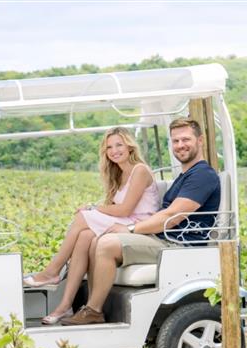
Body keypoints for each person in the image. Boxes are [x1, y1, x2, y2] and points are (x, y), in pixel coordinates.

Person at [62, 118, 220, 326]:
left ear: (200, 141)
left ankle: (93, 310)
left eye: (186, 139)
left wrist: (130, 228)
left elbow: (171, 218)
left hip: (177, 245)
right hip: (162, 239)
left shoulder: (202, 175)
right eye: (175, 141)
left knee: (107, 243)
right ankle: (87, 305)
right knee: (92, 238)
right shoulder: (185, 176)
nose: (180, 145)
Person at [23, 127, 159, 325]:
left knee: (83, 217)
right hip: (126, 220)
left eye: (119, 145)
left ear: (129, 146)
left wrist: (93, 208)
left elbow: (124, 209)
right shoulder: (118, 174)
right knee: (85, 236)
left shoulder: (140, 170)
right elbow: (117, 209)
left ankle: (52, 272)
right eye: (109, 147)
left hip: (139, 224)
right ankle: (65, 305)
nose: (114, 150)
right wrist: (94, 209)